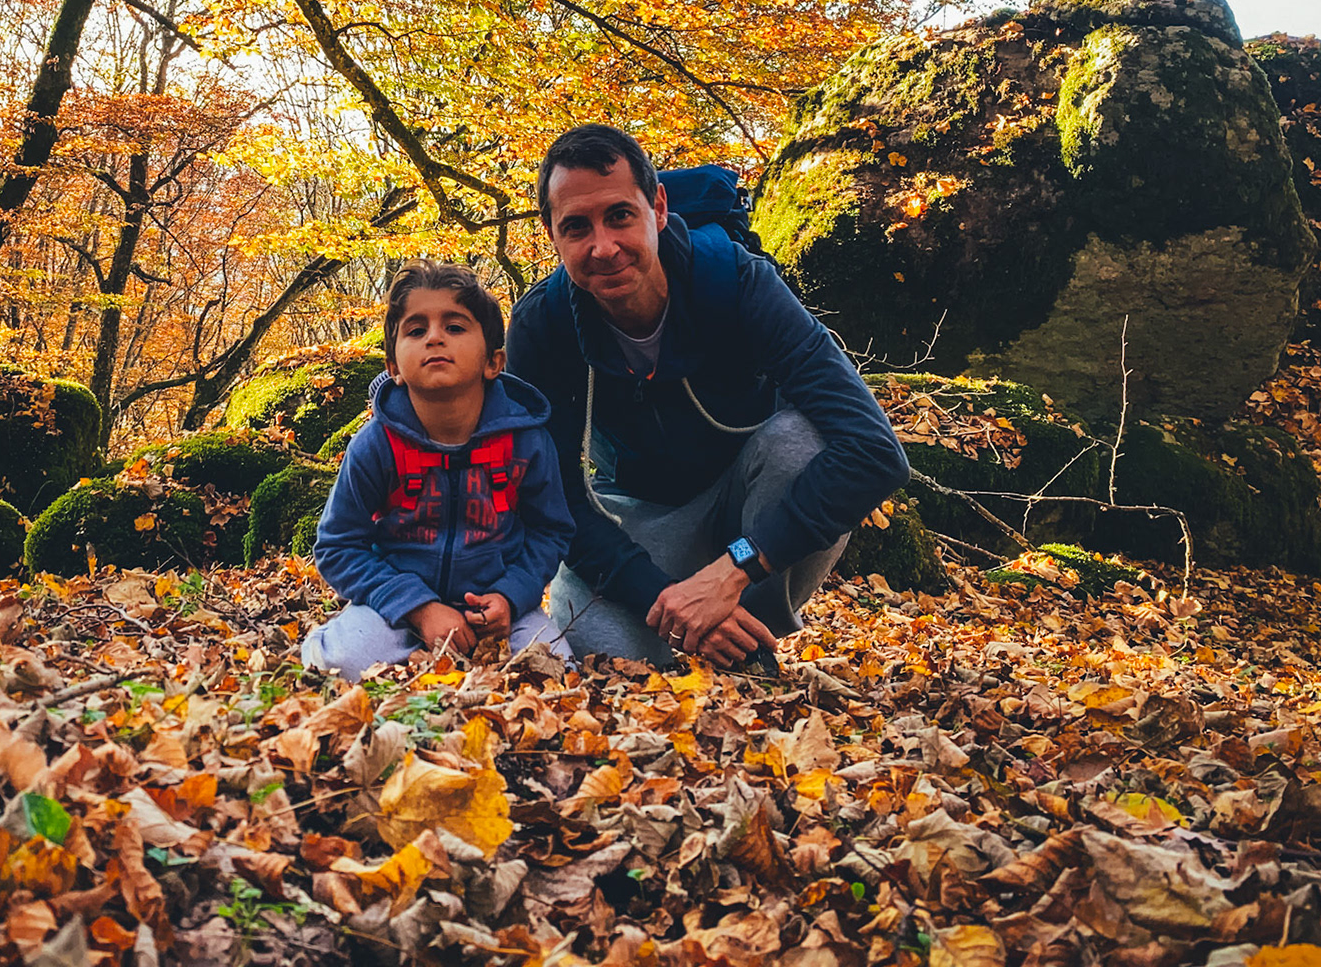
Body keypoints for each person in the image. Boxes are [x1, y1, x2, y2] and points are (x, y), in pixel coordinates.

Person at [505, 124, 911, 668]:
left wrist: (732, 571)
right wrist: (657, 596)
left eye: (620, 216)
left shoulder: (739, 282)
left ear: (658, 208)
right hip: (637, 520)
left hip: (748, 518)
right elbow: (554, 500)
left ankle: (748, 641)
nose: (603, 247)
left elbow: (875, 451)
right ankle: (718, 635)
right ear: (552, 236)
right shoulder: (542, 326)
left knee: (800, 442)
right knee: (604, 651)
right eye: (577, 226)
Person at [302, 262, 575, 680]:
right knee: (339, 665)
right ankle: (335, 638)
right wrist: (419, 608)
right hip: (397, 610)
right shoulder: (376, 445)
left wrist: (510, 596)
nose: (434, 337)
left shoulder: (527, 442)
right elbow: (337, 545)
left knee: (556, 672)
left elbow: (550, 532)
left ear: (493, 362)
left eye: (455, 327)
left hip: (497, 612)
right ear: (393, 367)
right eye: (415, 330)